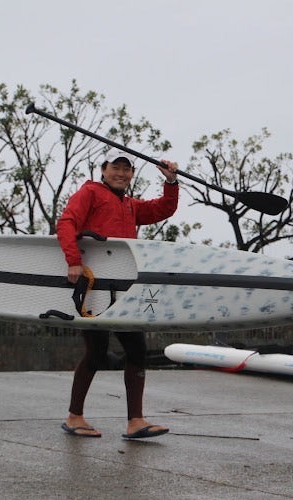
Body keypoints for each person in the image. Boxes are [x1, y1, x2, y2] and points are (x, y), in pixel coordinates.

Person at [56, 147, 179, 439]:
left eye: (127, 170)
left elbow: (163, 209)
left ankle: (135, 421)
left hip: (124, 290)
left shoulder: (131, 205)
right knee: (96, 353)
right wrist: (73, 260)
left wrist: (171, 182)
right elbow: (67, 222)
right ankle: (74, 416)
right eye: (116, 167)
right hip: (95, 287)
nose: (121, 174)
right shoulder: (90, 193)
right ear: (103, 169)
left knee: (137, 351)